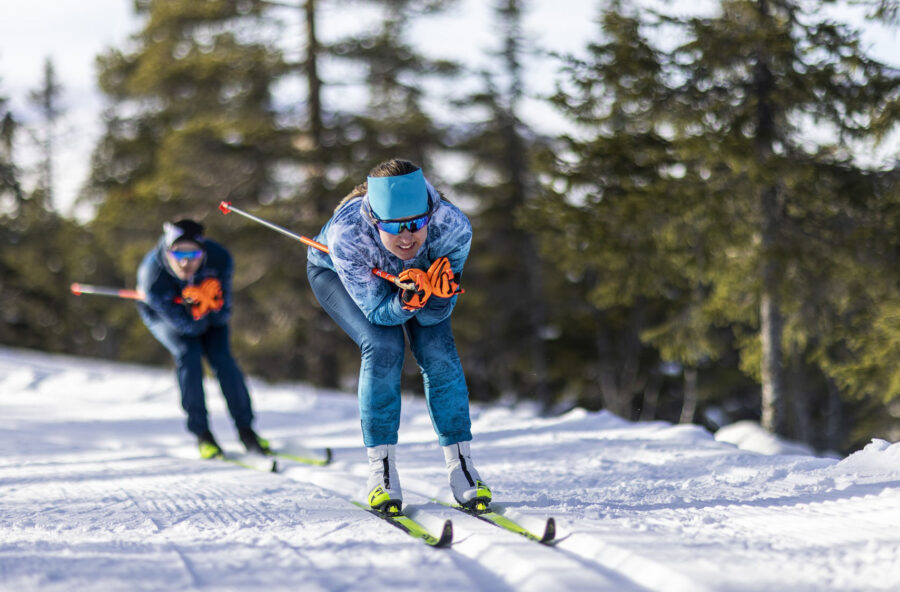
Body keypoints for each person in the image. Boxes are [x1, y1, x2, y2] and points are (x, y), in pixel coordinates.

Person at [306, 158, 491, 513]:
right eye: (394, 227)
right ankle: (382, 471)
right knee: (382, 346)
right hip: (341, 276)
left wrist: (437, 294)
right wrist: (407, 303)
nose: (407, 237)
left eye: (416, 223)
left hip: (414, 282)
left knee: (439, 350)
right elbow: (378, 313)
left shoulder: (453, 228)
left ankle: (462, 467)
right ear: (375, 221)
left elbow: (437, 316)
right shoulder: (347, 236)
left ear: (429, 213)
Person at [137, 219, 269, 459]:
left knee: (223, 359)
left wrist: (211, 304)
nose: (186, 262)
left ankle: (246, 430)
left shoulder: (220, 259)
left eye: (193, 254)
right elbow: (186, 327)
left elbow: (223, 315)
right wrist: (194, 311)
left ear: (203, 251)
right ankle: (202, 434)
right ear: (168, 252)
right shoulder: (152, 275)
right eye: (178, 254)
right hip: (164, 316)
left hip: (205, 316)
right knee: (188, 354)